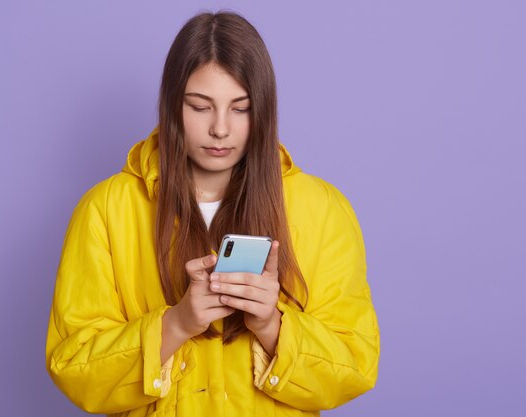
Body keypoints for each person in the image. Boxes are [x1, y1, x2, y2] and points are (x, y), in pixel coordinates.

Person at [45, 11, 380, 417]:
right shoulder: (105, 210)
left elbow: (356, 365)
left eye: (240, 108)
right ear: (172, 106)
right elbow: (73, 368)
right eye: (201, 107)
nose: (220, 129)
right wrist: (177, 324)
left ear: (264, 111)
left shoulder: (322, 209)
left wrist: (272, 325)